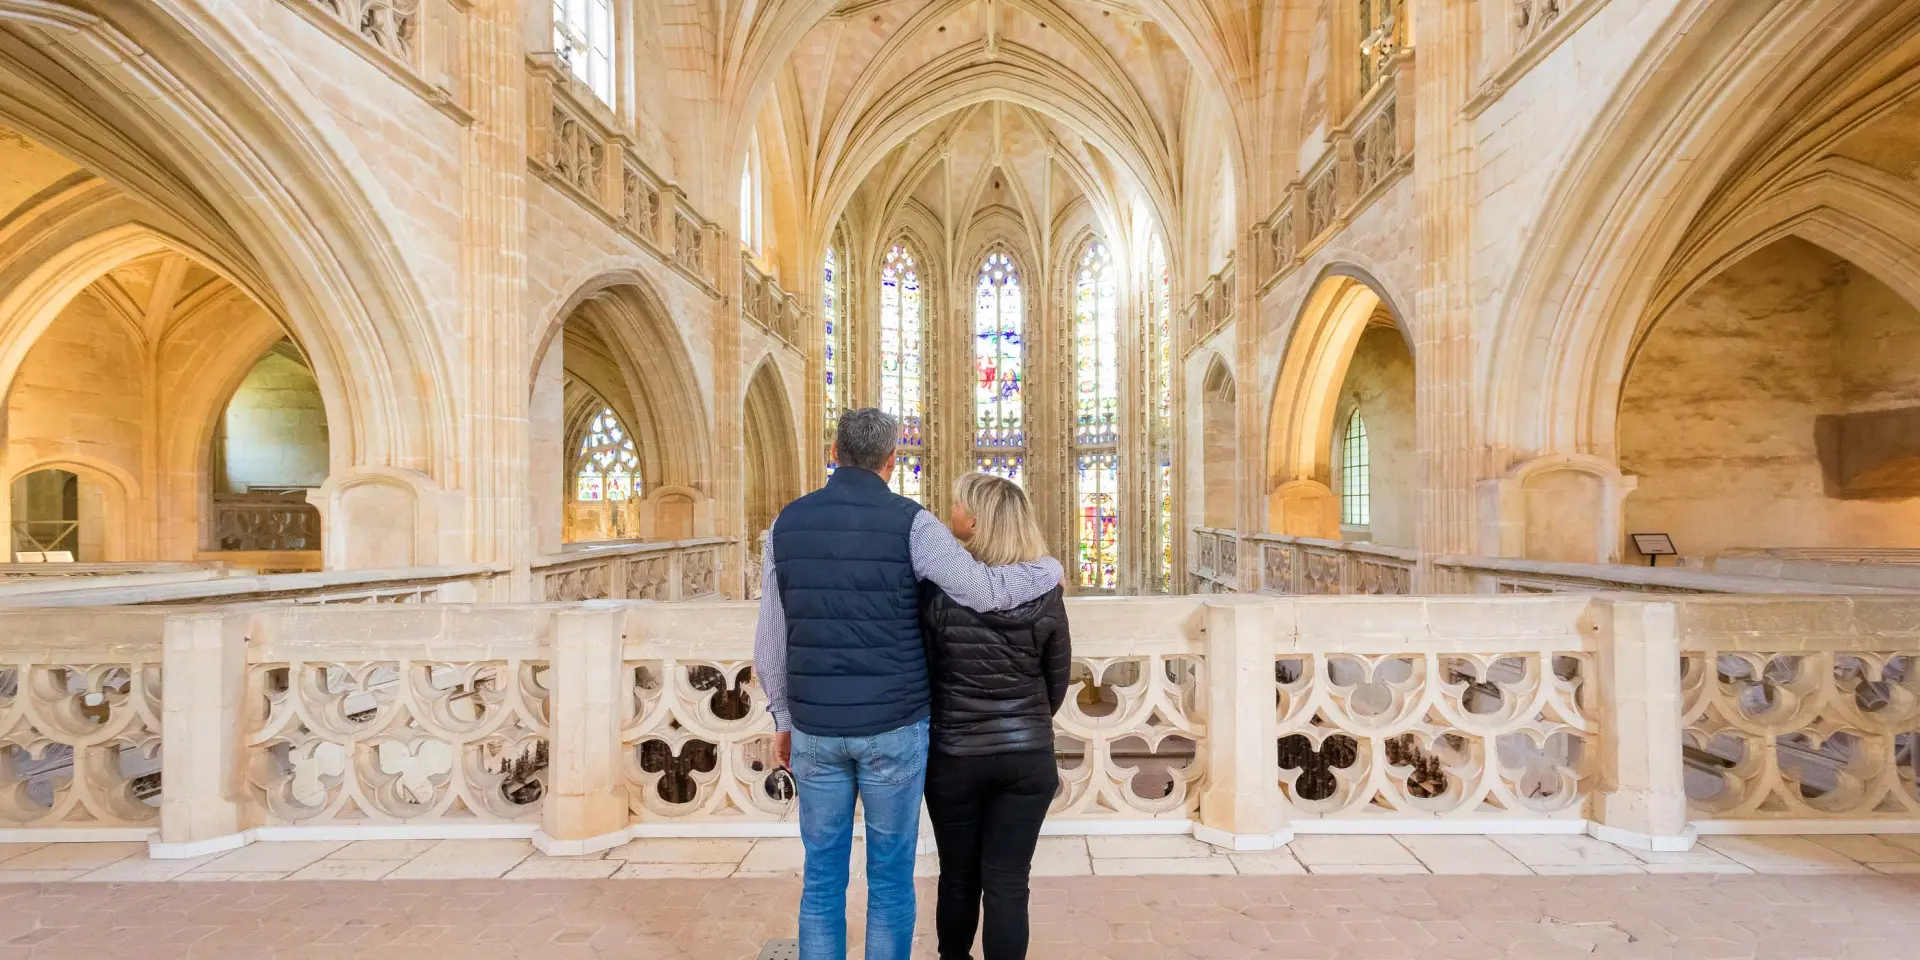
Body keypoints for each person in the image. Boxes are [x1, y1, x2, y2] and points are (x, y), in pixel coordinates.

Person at [754, 408, 1063, 960]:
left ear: (834, 453)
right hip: (895, 726)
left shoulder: (784, 525)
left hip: (815, 728)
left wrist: (782, 719)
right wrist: (1049, 571)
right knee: (891, 878)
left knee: (821, 879)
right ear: (892, 461)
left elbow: (770, 641)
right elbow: (983, 589)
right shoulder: (914, 523)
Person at [919, 472, 1069, 960]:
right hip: (1026, 757)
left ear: (976, 522)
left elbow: (926, 670)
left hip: (956, 756)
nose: (949, 513)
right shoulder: (1047, 591)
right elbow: (1056, 680)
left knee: (959, 876)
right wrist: (1026, 724)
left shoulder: (939, 591)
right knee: (1008, 882)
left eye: (957, 505)